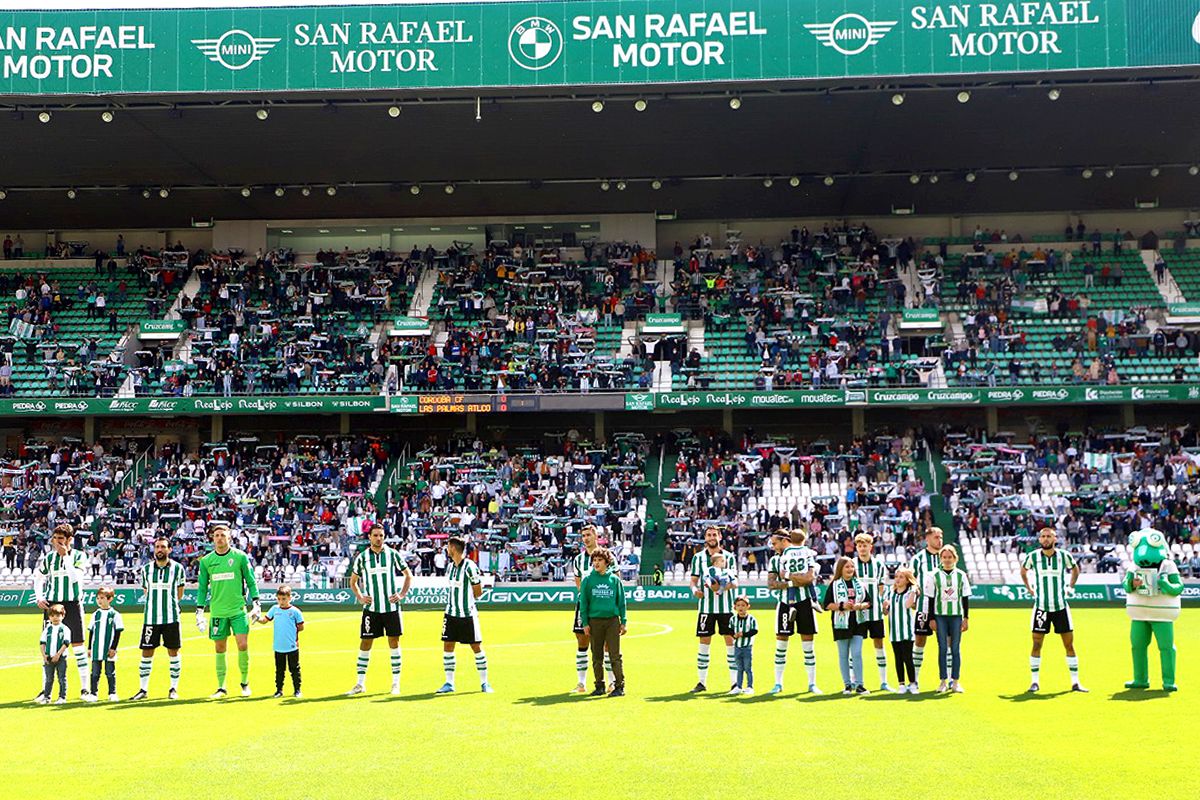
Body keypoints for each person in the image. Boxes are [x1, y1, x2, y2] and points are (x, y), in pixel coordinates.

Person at [194, 524, 261, 699]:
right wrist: (200, 611)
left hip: (238, 609)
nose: (219, 538)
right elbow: (202, 588)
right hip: (217, 611)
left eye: (223, 535)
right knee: (219, 647)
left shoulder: (240, 557)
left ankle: (245, 683)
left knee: (242, 645)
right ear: (212, 538)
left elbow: (251, 581)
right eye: (216, 535)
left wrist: (256, 603)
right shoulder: (206, 561)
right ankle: (221, 687)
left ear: (229, 537)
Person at [347, 524, 411, 696]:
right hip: (371, 609)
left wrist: (402, 594)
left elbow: (408, 575)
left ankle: (395, 684)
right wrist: (360, 597)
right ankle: (360, 684)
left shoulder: (392, 554)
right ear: (369, 537)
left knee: (394, 643)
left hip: (391, 608)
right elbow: (353, 581)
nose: (379, 538)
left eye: (381, 535)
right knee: (365, 643)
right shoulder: (362, 558)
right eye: (375, 535)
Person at [1021, 527, 1087, 693]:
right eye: (1043, 536)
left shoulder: (1064, 556)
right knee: (1036, 644)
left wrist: (1070, 587)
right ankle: (1034, 682)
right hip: (1041, 608)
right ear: (1039, 539)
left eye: (1048, 536)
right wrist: (1029, 588)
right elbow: (1023, 572)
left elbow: (1075, 569)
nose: (1045, 539)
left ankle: (1075, 682)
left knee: (1069, 645)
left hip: (1061, 607)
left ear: (1055, 539)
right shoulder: (1033, 556)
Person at [33, 523, 94, 702]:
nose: (57, 543)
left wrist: (65, 556)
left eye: (61, 539)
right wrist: (39, 597)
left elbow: (75, 578)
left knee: (78, 647)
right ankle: (46, 691)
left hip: (72, 605)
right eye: (55, 539)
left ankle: (85, 689)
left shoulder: (78, 556)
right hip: (52, 605)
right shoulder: (49, 558)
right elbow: (38, 578)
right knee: (48, 648)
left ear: (69, 540)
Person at [131, 537, 186, 701]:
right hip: (150, 619)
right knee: (146, 652)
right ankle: (143, 689)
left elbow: (180, 593)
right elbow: (146, 592)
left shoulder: (178, 569)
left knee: (173, 652)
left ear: (169, 549)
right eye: (157, 547)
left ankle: (173, 688)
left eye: (163, 547)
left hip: (171, 618)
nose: (159, 549)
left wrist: (170, 604)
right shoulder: (146, 569)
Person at [437, 536, 492, 694]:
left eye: (448, 547)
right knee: (448, 646)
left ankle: (484, 683)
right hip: (451, 614)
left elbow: (478, 591)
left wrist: (467, 602)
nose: (447, 549)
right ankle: (449, 683)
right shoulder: (451, 567)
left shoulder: (470, 566)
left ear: (453, 548)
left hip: (467, 615)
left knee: (476, 647)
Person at [688, 526, 739, 693]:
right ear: (705, 537)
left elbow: (735, 582)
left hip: (726, 608)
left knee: (730, 643)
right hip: (705, 609)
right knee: (704, 644)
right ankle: (701, 682)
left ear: (720, 536)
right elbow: (694, 581)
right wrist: (695, 591)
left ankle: (734, 682)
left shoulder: (729, 558)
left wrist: (721, 588)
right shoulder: (698, 558)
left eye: (714, 535)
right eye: (709, 535)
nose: (711, 537)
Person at [578, 547, 627, 697]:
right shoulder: (587, 579)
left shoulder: (614, 580)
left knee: (614, 655)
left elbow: (621, 602)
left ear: (607, 562)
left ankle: (619, 686)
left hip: (612, 621)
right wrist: (585, 622)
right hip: (595, 621)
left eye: (600, 560)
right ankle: (599, 685)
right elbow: (584, 603)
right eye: (594, 560)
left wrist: (623, 621)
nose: (596, 563)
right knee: (596, 656)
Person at [570, 525, 613, 693]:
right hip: (585, 606)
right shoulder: (578, 560)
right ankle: (581, 683)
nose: (586, 538)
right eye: (583, 536)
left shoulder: (608, 557)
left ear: (596, 535)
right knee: (582, 641)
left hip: (604, 607)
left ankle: (610, 682)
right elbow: (579, 584)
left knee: (607, 645)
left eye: (588, 535)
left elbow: (615, 581)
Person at [779, 528, 821, 693]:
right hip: (805, 599)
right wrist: (802, 578)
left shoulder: (787, 551)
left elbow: (783, 574)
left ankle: (791, 607)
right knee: (806, 645)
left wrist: (791, 576)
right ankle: (816, 602)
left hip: (793, 589)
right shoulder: (806, 551)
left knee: (791, 586)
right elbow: (809, 576)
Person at [823, 556, 872, 695]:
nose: (850, 569)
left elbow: (869, 602)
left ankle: (860, 684)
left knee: (856, 653)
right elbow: (827, 605)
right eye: (847, 567)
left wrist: (859, 606)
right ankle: (847, 685)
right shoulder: (834, 584)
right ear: (840, 569)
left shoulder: (859, 584)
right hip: (841, 623)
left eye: (852, 566)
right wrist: (842, 606)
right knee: (843, 655)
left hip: (858, 622)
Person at [930, 545, 970, 693]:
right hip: (940, 616)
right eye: (944, 557)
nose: (947, 560)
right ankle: (942, 681)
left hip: (956, 616)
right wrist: (931, 618)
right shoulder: (935, 575)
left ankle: (956, 682)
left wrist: (966, 618)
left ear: (955, 558)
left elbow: (965, 598)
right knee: (942, 648)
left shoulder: (961, 575)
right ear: (940, 558)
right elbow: (931, 598)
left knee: (955, 649)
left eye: (950, 557)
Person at [909, 526, 944, 689]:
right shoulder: (918, 559)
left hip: (944, 607)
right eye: (936, 537)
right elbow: (911, 579)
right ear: (927, 538)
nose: (940, 540)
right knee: (920, 640)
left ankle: (948, 679)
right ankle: (914, 679)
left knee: (947, 642)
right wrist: (913, 596)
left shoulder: (947, 557)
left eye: (941, 537)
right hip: (923, 607)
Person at [854, 533, 890, 691]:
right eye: (859, 546)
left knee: (879, 645)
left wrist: (884, 603)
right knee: (855, 648)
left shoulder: (879, 565)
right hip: (857, 613)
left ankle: (884, 682)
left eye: (865, 545)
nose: (862, 549)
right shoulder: (851, 564)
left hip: (875, 613)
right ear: (856, 548)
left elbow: (882, 587)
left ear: (871, 547)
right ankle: (854, 682)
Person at [258, 585, 304, 699]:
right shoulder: (274, 609)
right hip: (278, 646)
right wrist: (256, 618)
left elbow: (301, 627)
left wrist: (291, 633)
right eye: (279, 599)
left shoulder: (295, 611)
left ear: (289, 598)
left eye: (283, 599)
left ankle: (297, 690)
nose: (281, 601)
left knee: (294, 669)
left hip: (292, 645)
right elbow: (265, 620)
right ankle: (279, 690)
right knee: (279, 670)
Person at [883, 567, 918, 693]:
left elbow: (908, 605)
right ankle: (901, 684)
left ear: (908, 580)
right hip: (894, 632)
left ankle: (913, 683)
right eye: (896, 577)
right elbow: (886, 612)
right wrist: (885, 607)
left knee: (908, 658)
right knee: (898, 658)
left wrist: (914, 591)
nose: (897, 579)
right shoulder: (890, 593)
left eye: (901, 577)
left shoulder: (909, 593)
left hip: (906, 632)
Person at [87, 586, 124, 702]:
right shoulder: (95, 614)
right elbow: (91, 631)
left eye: (102, 598)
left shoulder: (115, 614)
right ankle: (93, 693)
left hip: (108, 648)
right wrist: (89, 648)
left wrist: (113, 648)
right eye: (97, 598)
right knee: (95, 673)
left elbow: (118, 632)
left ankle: (112, 693)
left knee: (110, 672)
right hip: (96, 648)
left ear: (110, 599)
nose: (99, 600)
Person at [38, 604, 71, 704]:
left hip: (61, 658)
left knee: (61, 678)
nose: (55, 618)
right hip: (49, 657)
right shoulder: (47, 629)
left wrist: (58, 654)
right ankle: (47, 697)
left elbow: (66, 643)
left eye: (57, 615)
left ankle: (62, 697)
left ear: (62, 616)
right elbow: (42, 643)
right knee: (49, 679)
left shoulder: (65, 629)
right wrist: (44, 655)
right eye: (52, 616)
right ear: (49, 617)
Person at [730, 596, 758, 695]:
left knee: (748, 668)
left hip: (747, 647)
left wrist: (743, 634)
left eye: (743, 605)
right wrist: (734, 635)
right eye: (738, 605)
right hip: (737, 647)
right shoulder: (733, 619)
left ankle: (750, 686)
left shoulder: (751, 619)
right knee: (739, 668)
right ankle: (738, 686)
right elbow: (730, 629)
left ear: (748, 607)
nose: (740, 608)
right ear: (735, 607)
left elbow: (754, 631)